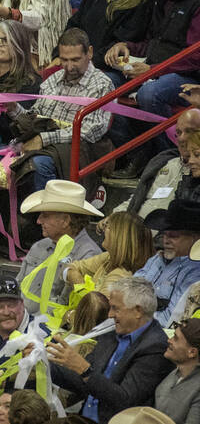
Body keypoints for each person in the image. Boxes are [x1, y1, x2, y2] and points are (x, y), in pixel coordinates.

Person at [48, 276, 173, 423]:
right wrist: (45, 365)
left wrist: (84, 369)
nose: (110, 315)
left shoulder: (155, 347)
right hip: (83, 419)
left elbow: (125, 400)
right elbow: (83, 384)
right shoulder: (111, 333)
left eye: (115, 308)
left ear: (138, 311)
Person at [104, 0, 200, 122]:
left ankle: (168, 150)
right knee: (105, 82)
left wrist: (153, 70)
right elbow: (153, 41)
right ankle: (124, 144)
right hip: (154, 67)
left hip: (188, 77)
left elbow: (195, 57)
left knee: (150, 93)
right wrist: (127, 47)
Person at [20, 28, 115, 191]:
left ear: (89, 53)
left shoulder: (102, 85)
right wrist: (11, 108)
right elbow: (33, 116)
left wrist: (44, 139)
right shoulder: (53, 79)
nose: (69, 67)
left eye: (75, 60)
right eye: (64, 60)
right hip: (45, 145)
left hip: (78, 151)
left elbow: (89, 131)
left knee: (38, 164)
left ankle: (49, 214)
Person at [16, 181, 104, 316]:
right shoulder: (39, 246)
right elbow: (18, 286)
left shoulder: (88, 256)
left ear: (65, 220)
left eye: (45, 215)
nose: (38, 221)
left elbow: (71, 307)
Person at [137, 201, 200, 325]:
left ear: (195, 238)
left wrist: (133, 316)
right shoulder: (157, 259)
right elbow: (128, 293)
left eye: (174, 236)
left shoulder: (196, 272)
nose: (166, 241)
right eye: (164, 234)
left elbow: (170, 319)